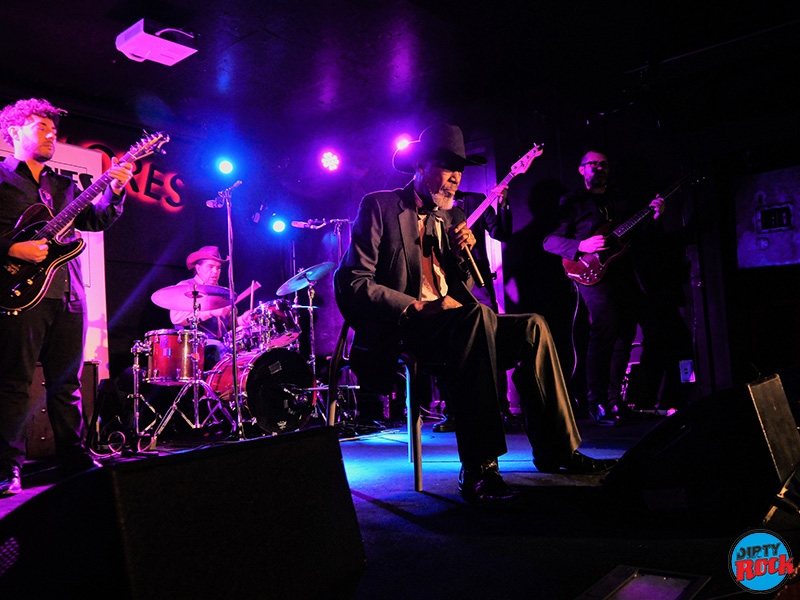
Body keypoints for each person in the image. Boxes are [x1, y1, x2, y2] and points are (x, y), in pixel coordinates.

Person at [335, 123, 616, 507]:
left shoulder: (454, 216)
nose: (455, 178)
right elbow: (352, 280)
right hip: (405, 326)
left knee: (533, 326)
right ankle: (479, 468)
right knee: (476, 317)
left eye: (460, 170)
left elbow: (466, 284)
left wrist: (462, 255)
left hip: (456, 325)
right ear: (420, 166)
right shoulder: (381, 206)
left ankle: (559, 450)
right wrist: (416, 306)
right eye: (446, 167)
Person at [0, 98, 134, 495]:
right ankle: (7, 468)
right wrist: (12, 248)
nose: (51, 134)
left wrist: (116, 189)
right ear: (14, 132)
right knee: (14, 383)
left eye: (53, 130)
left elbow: (96, 219)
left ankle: (74, 458)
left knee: (67, 383)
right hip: (20, 293)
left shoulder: (63, 185)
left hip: (68, 293)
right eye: (40, 127)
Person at [542, 148, 664, 426]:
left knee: (626, 332)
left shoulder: (621, 199)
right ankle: (595, 401)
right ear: (581, 170)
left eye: (604, 164)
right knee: (604, 328)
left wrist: (655, 218)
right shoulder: (572, 202)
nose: (599, 168)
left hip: (623, 271)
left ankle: (614, 400)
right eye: (593, 164)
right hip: (591, 273)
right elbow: (549, 241)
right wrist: (581, 245)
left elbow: (639, 238)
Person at [431, 188, 515, 433]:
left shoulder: (476, 201)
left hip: (476, 280)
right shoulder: (428, 205)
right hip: (444, 281)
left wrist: (503, 204)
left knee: (492, 338)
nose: (452, 177)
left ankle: (501, 409)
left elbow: (501, 233)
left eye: (456, 171)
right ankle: (453, 412)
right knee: (449, 344)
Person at [170, 245, 251, 369]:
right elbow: (176, 318)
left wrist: (241, 320)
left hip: (223, 343)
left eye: (218, 268)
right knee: (219, 349)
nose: (215, 271)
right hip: (196, 345)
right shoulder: (186, 287)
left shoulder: (222, 292)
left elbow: (230, 325)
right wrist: (211, 312)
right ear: (198, 268)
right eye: (210, 267)